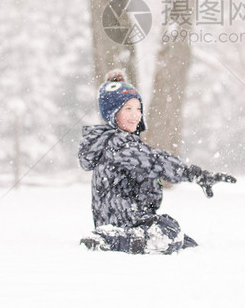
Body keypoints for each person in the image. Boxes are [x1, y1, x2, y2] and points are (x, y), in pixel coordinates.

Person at [78, 70, 236, 254]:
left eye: (138, 109)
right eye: (127, 109)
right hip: (120, 220)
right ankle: (109, 241)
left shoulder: (123, 144)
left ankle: (124, 239)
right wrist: (194, 174)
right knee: (168, 233)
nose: (135, 115)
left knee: (183, 240)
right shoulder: (119, 145)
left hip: (131, 218)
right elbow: (156, 161)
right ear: (112, 113)